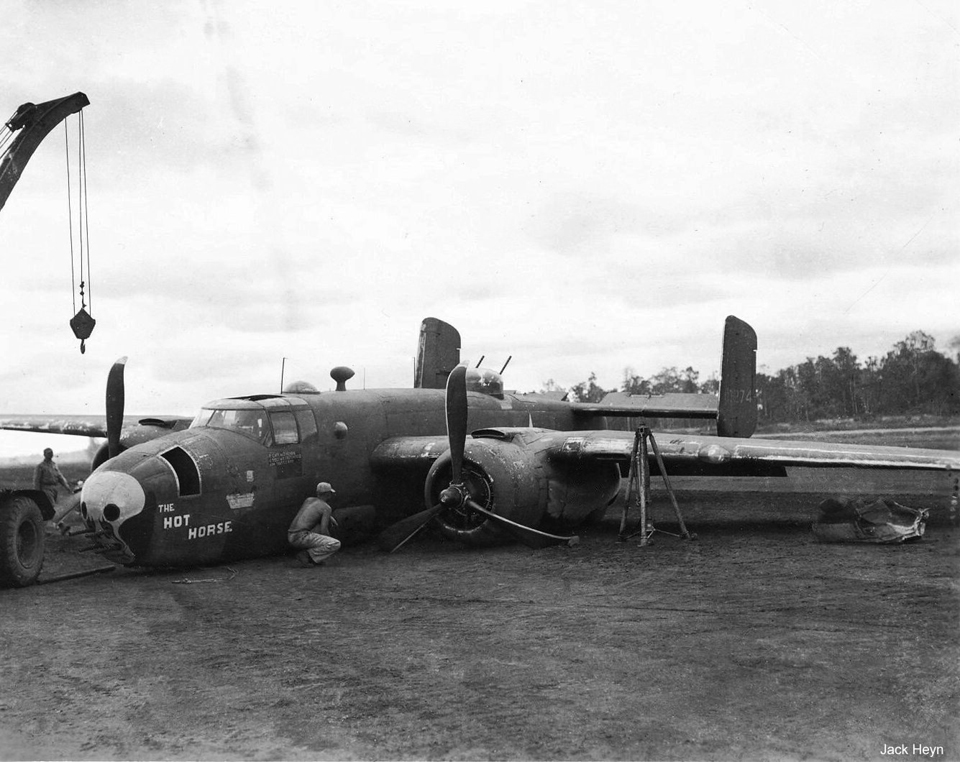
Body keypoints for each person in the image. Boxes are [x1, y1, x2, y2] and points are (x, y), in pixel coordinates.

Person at [288, 482, 341, 567]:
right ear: (328, 494)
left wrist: (330, 517)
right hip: (301, 537)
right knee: (335, 544)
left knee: (317, 526)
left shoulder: (309, 500)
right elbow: (324, 530)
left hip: (291, 535)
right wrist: (329, 540)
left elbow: (313, 512)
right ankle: (307, 555)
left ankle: (313, 558)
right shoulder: (326, 508)